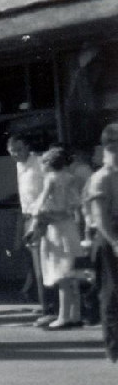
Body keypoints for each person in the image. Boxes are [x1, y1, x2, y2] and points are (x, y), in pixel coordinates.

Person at [31, 146, 84, 330]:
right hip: (70, 228)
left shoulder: (51, 179)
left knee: (61, 275)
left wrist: (38, 215)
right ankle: (75, 314)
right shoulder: (70, 178)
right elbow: (76, 205)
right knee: (72, 274)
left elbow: (41, 204)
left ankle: (63, 316)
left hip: (57, 230)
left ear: (48, 164)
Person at [82, 123, 118, 363]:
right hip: (109, 237)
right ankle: (114, 349)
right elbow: (99, 217)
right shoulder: (101, 178)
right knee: (112, 293)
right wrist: (115, 241)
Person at [8, 132, 51, 324]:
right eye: (11, 151)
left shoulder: (40, 163)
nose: (15, 154)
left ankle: (50, 307)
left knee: (44, 263)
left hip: (40, 217)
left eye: (18, 150)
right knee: (34, 264)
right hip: (26, 217)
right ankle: (44, 304)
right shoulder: (19, 166)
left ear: (27, 147)